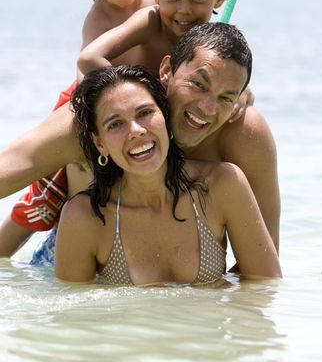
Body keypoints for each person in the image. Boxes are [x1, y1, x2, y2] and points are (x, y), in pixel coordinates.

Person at [0, 0, 264, 257]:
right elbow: (89, 64)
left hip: (144, 108)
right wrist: (134, 104)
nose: (184, 8)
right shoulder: (146, 16)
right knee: (43, 192)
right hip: (97, 94)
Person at [0, 23, 280, 259]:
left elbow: (262, 274)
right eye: (197, 84)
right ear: (166, 70)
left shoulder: (243, 135)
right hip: (75, 281)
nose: (207, 108)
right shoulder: (103, 120)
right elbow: (13, 166)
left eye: (226, 97)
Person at [54, 64, 281, 285]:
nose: (136, 130)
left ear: (165, 115)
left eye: (145, 113)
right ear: (100, 144)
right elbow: (75, 315)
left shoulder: (222, 185)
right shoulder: (83, 217)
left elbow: (265, 286)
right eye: (115, 124)